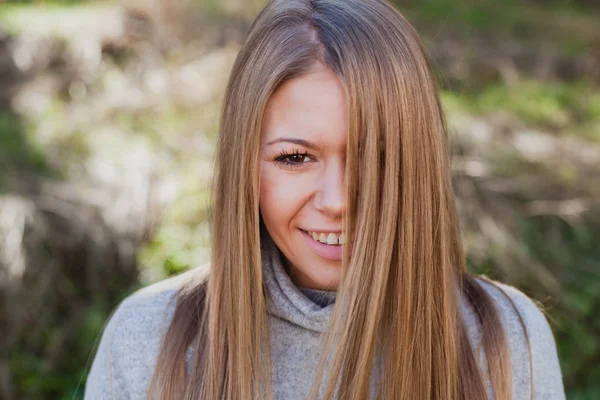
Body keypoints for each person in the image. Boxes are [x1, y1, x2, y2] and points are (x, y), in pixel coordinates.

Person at [84, 0, 565, 399]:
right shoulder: (147, 340)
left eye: (377, 158)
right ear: (243, 165)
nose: (338, 201)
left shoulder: (504, 338)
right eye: (295, 157)